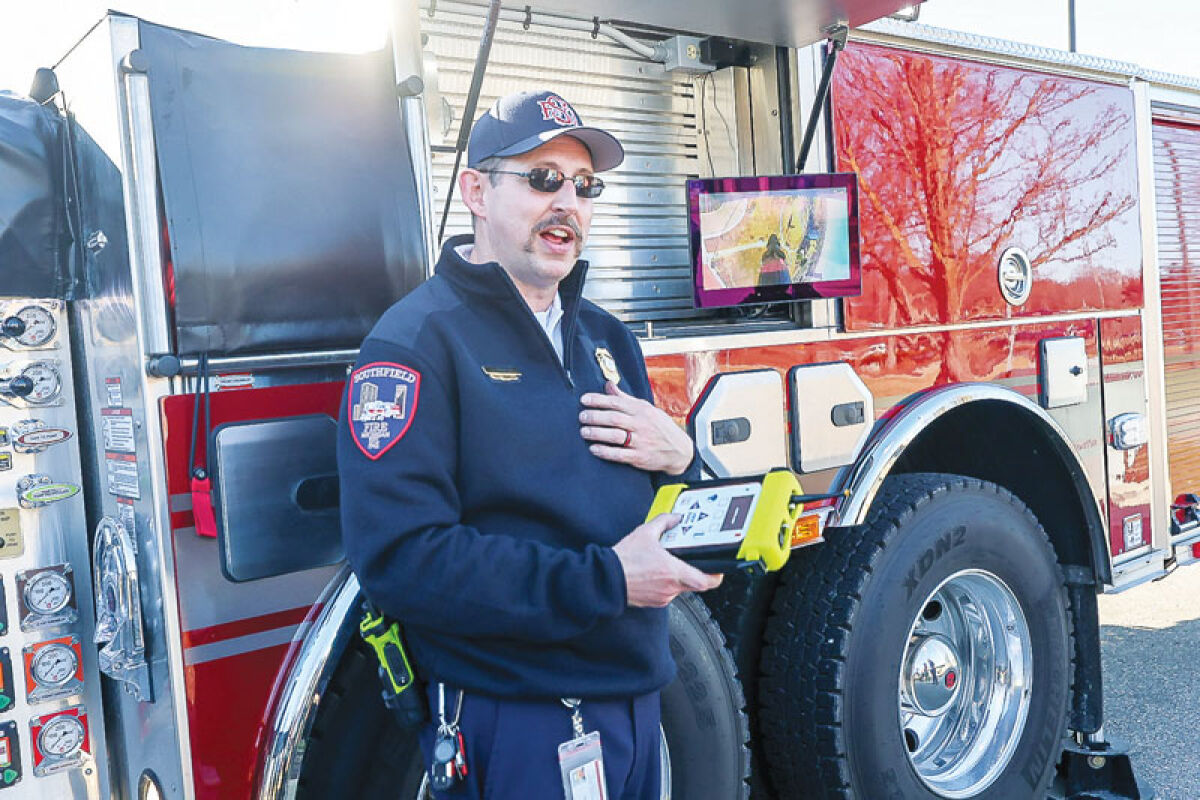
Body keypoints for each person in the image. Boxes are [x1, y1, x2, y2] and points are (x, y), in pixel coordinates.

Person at [338, 90, 723, 800]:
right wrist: (608, 579)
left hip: (639, 707)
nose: (569, 202)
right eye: (543, 178)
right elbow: (402, 560)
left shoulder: (607, 339)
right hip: (514, 723)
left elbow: (657, 515)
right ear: (475, 191)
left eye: (585, 186)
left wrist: (683, 461)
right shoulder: (416, 345)